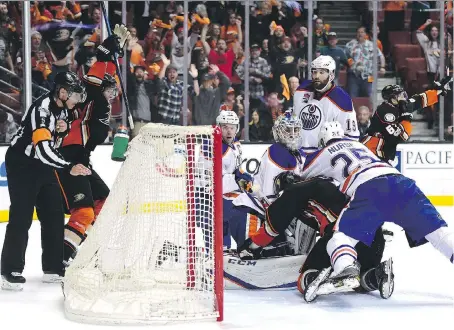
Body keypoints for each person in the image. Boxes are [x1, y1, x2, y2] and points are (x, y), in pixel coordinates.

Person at [298, 121, 454, 302]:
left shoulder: (324, 152)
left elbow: (303, 175)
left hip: (370, 188)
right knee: (440, 235)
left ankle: (346, 268)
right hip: (402, 183)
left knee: (340, 238)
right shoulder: (360, 145)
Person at [1, 71, 91, 291]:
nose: (76, 99)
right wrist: (69, 167)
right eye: (73, 94)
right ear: (61, 91)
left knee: (53, 213)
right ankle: (9, 270)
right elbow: (42, 150)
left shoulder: (64, 109)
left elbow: (57, 135)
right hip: (22, 164)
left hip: (42, 166)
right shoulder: (42, 110)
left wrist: (64, 129)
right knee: (21, 216)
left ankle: (52, 267)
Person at [57, 73, 118, 266]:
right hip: (67, 160)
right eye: (108, 90)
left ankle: (72, 245)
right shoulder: (83, 102)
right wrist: (105, 52)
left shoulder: (94, 106)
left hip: (82, 160)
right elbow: (93, 75)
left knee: (105, 202)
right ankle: (60, 256)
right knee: (84, 212)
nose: (110, 95)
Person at [363, 79, 452, 163]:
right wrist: (406, 119)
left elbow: (418, 100)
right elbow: (400, 137)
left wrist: (436, 91)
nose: (404, 97)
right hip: (371, 151)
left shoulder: (400, 106)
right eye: (400, 95)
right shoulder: (385, 111)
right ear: (393, 98)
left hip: (381, 152)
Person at [292, 55, 359, 153]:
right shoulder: (302, 89)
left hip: (322, 158)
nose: (317, 76)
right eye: (314, 72)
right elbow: (295, 117)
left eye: (321, 72)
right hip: (298, 153)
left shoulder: (343, 100)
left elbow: (352, 138)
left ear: (331, 74)